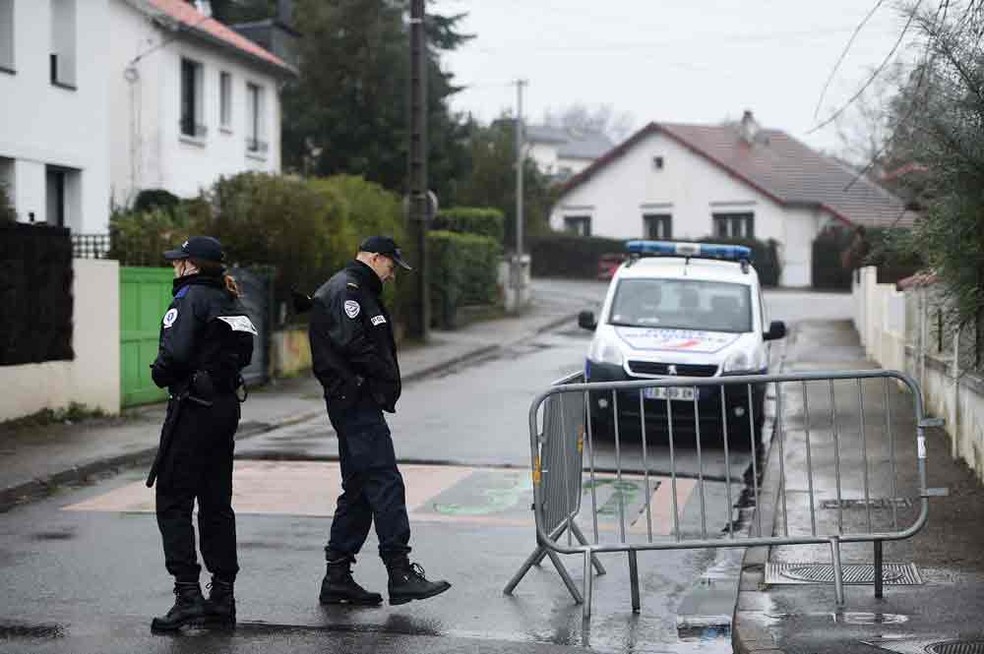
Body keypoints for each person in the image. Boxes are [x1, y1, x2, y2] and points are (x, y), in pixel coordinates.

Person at [308, 235, 451, 607]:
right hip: (355, 402)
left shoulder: (357, 289)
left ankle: (337, 576)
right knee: (385, 481)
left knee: (358, 490)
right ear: (374, 258)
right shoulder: (348, 291)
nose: (391, 275)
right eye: (390, 266)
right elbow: (354, 346)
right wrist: (376, 382)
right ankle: (400, 572)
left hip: (355, 400)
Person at [147, 236, 256, 632]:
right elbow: (245, 353)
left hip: (193, 408)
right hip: (225, 408)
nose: (175, 267)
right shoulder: (232, 300)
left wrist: (158, 373)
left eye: (179, 261)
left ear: (191, 265)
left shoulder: (190, 298)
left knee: (173, 500)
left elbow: (173, 355)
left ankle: (188, 595)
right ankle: (222, 596)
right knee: (215, 503)